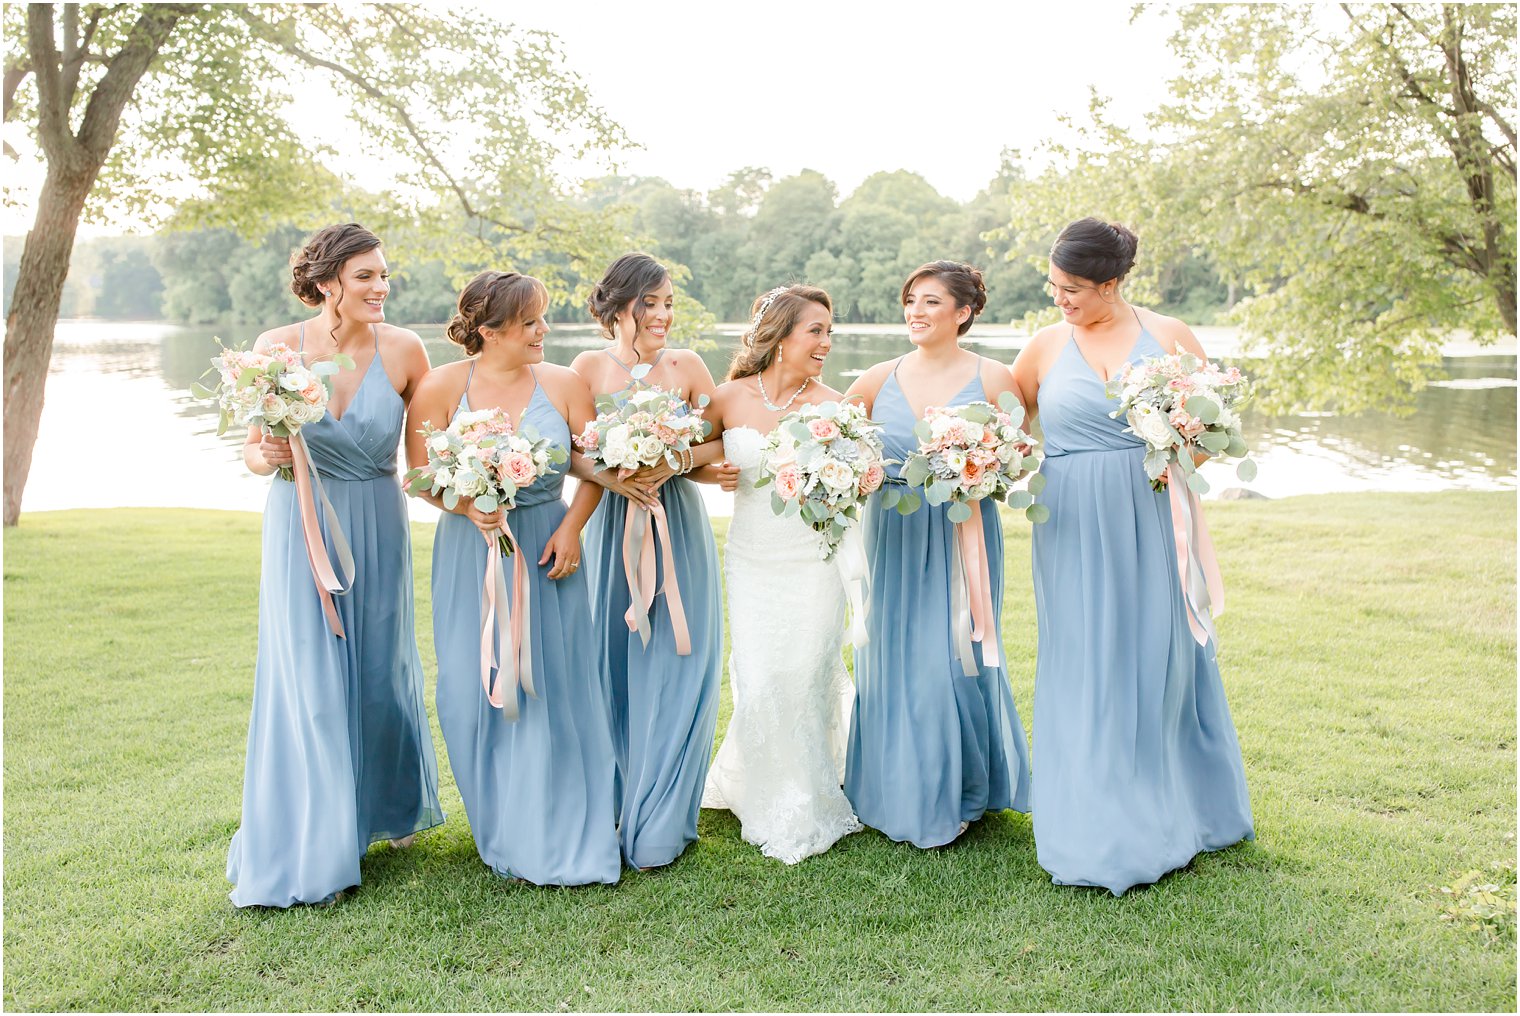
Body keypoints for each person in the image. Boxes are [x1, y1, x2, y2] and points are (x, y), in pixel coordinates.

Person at [1010, 217, 1254, 895]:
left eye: (1075, 290)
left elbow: (1212, 433)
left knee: (1161, 655)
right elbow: (1013, 430)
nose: (1061, 299)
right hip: (1073, 524)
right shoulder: (1041, 347)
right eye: (1054, 286)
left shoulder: (1169, 338)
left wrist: (1176, 442)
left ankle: (1188, 809)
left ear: (1114, 283)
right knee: (1088, 659)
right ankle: (1097, 818)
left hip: (1152, 516)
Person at [227, 222, 443, 908]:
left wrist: (493, 492)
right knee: (310, 672)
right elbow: (253, 449)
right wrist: (268, 456)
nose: (381, 287)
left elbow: (424, 467)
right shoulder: (275, 350)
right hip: (301, 522)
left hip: (378, 521)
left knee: (380, 670)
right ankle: (321, 829)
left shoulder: (407, 351)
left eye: (384, 275)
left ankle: (386, 805)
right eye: (366, 277)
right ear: (327, 285)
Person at [407, 270, 620, 886]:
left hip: (548, 544)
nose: (542, 332)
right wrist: (466, 503)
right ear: (488, 330)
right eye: (530, 322)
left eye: (542, 319)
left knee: (556, 682)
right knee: (475, 686)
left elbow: (596, 467)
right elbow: (418, 477)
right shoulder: (440, 387)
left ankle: (564, 822)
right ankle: (500, 820)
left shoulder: (564, 383)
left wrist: (573, 528)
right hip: (471, 552)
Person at [843, 261, 1032, 848]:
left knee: (955, 656)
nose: (915, 313)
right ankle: (893, 787)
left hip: (962, 534)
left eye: (930, 302)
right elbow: (839, 447)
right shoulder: (876, 378)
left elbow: (1022, 457)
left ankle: (960, 790)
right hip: (892, 533)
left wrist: (979, 470)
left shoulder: (996, 377)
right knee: (894, 658)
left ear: (963, 312)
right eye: (910, 301)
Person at [696, 284, 863, 864]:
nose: (826, 342)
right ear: (780, 335)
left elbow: (856, 482)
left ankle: (807, 793)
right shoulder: (728, 397)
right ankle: (760, 788)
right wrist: (709, 474)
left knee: (805, 671)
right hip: (752, 559)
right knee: (762, 674)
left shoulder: (835, 405)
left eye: (829, 331)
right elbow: (684, 457)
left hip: (811, 559)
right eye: (815, 331)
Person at [570, 252, 723, 870]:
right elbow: (571, 453)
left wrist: (672, 462)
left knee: (679, 661)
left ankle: (662, 815)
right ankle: (614, 798)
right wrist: (610, 476)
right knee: (610, 660)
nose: (661, 315)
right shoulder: (582, 367)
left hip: (675, 524)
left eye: (667, 304)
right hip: (613, 530)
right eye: (649, 303)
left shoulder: (688, 365)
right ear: (617, 305)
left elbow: (716, 437)